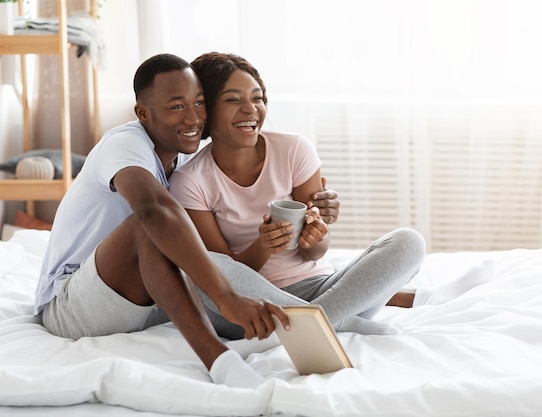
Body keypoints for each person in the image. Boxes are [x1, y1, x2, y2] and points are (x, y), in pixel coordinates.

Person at [33, 53, 298, 389]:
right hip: (71, 305)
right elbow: (154, 210)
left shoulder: (184, 154)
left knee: (205, 257)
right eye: (177, 107)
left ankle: (325, 317)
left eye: (199, 103)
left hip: (141, 297)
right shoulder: (125, 145)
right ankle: (218, 360)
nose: (194, 118)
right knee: (149, 228)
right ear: (144, 113)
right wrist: (225, 297)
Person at [168, 52, 428, 339]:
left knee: (408, 242)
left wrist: (316, 236)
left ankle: (313, 324)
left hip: (320, 287)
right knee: (206, 266)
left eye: (257, 98)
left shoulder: (294, 149)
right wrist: (264, 245)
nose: (250, 110)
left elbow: (315, 251)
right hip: (250, 306)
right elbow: (221, 279)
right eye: (233, 100)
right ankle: (333, 322)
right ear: (206, 110)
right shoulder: (189, 181)